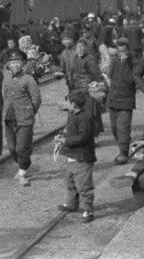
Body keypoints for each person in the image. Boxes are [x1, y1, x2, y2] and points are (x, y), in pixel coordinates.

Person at [55, 89, 96, 222]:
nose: (65, 104)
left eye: (67, 102)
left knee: (84, 185)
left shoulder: (85, 118)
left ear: (73, 104)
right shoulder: (72, 114)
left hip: (82, 156)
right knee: (70, 181)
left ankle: (87, 210)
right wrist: (62, 135)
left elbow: (83, 137)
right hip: (70, 155)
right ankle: (72, 203)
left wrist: (65, 141)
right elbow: (69, 129)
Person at [3, 53, 41, 187]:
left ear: (23, 65)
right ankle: (22, 165)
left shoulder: (29, 79)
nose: (15, 65)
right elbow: (5, 95)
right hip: (9, 117)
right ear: (8, 65)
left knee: (22, 147)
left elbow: (36, 99)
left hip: (25, 118)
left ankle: (23, 173)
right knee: (12, 147)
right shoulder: (6, 79)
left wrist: (30, 112)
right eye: (12, 63)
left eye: (17, 62)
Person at [107, 38, 136, 165]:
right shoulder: (115, 62)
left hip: (126, 100)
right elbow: (109, 76)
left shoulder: (134, 63)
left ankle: (123, 152)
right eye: (119, 51)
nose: (121, 54)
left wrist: (125, 62)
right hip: (113, 99)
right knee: (114, 128)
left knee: (122, 127)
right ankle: (123, 144)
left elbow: (130, 79)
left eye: (124, 51)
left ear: (128, 50)